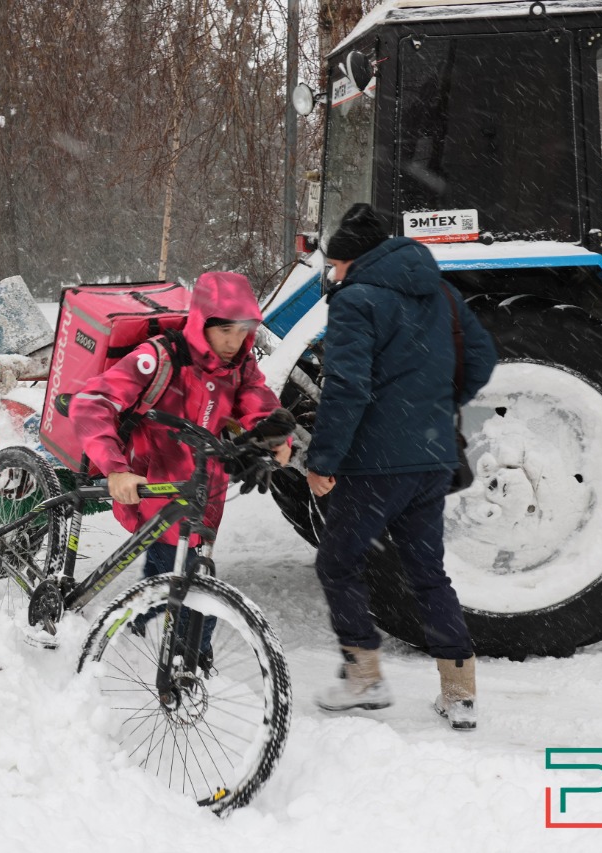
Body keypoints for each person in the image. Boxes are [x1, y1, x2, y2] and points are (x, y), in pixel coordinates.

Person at [305, 203, 497, 730]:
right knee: (427, 574)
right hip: (432, 458)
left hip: (374, 464)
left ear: (351, 260)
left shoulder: (354, 301)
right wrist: (435, 404)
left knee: (338, 564)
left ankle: (364, 680)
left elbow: (347, 387)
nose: (334, 274)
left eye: (335, 265)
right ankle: (459, 693)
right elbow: (480, 358)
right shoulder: (441, 293)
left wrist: (322, 460)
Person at [68, 271, 294, 602]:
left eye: (242, 329)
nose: (234, 341)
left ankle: (164, 638)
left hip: (202, 492)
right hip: (152, 485)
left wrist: (273, 439)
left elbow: (257, 400)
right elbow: (91, 403)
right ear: (202, 322)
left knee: (183, 584)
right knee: (173, 586)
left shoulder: (239, 366)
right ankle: (149, 633)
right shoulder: (159, 358)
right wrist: (115, 468)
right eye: (224, 329)